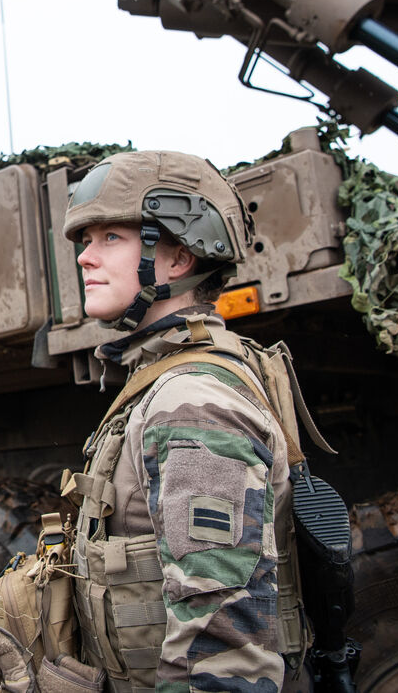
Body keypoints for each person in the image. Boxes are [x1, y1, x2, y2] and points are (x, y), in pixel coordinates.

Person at [60, 149, 302, 693]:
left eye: (111, 237)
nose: (85, 258)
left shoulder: (192, 401)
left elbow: (222, 649)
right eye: (86, 240)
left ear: (178, 259)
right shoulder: (166, 380)